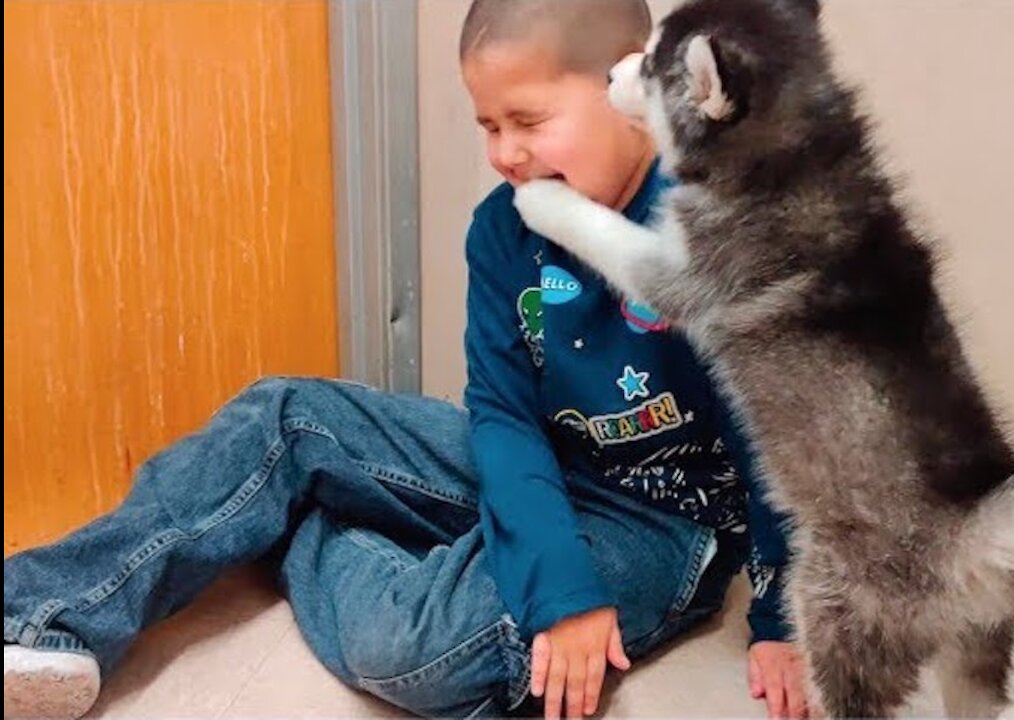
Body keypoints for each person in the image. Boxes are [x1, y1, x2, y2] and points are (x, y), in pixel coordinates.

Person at [4, 1, 808, 718]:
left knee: (414, 650)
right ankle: (36, 620)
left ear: (629, 92)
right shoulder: (503, 231)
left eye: (527, 122)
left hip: (663, 525)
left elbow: (781, 433)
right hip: (538, 461)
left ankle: (301, 527)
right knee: (284, 414)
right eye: (488, 127)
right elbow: (500, 414)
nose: (503, 154)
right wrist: (549, 563)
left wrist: (783, 620)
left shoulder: (713, 222)